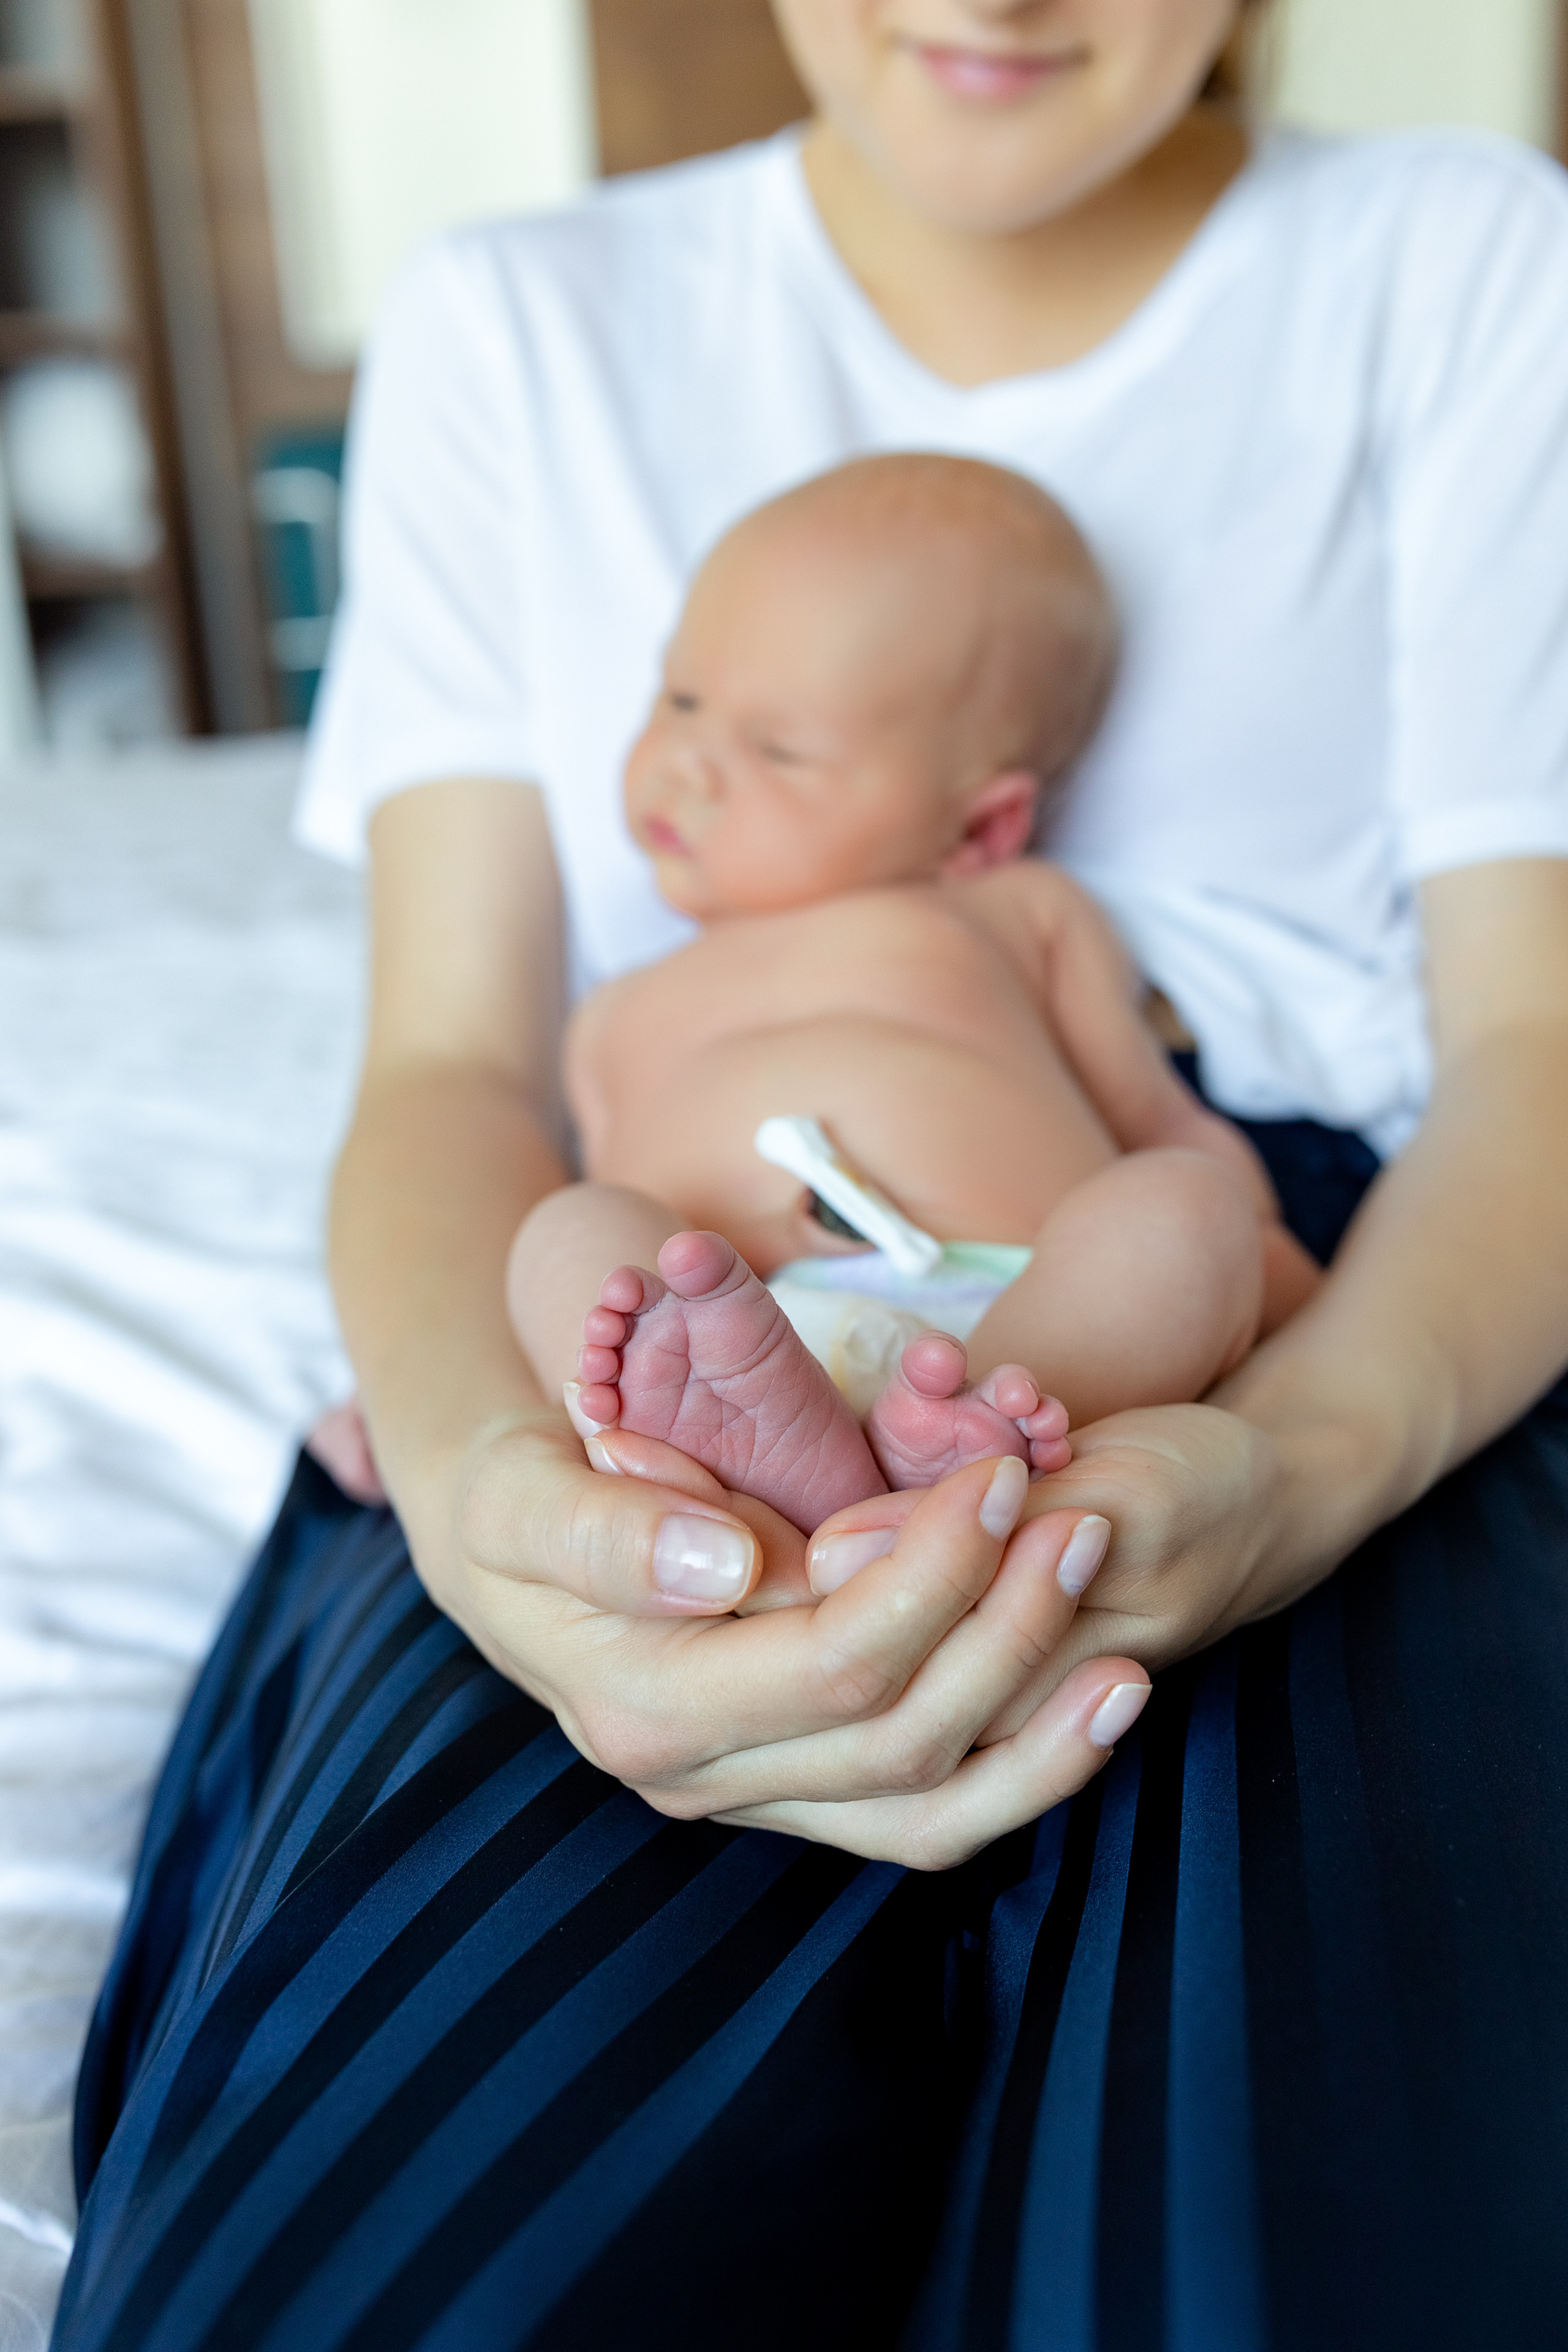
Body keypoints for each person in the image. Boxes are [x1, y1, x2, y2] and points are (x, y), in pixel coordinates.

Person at [55, 2, 1568, 2346]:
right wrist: (477, 1477)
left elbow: (1538, 1048)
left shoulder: (1466, 258)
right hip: (660, 1323)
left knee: (1310, 2220)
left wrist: (1299, 1447)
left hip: (1301, 1308)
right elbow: (456, 1068)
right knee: (408, 2237)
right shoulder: (518, 321)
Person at [508, 450, 1321, 1536]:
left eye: (780, 749)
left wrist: (1257, 1264)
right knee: (569, 1228)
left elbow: (1155, 1116)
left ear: (977, 828)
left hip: (1018, 1327)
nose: (687, 764)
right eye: (680, 696)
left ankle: (946, 1433)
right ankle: (743, 1441)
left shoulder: (1016, 914)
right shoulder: (613, 1012)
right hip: (718, 1346)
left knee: (1183, 1203)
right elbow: (611, 1231)